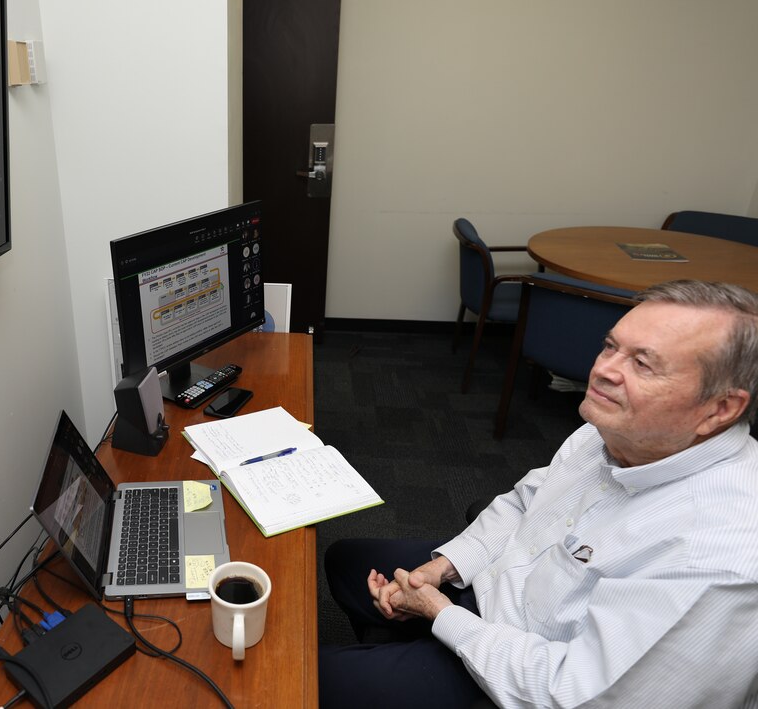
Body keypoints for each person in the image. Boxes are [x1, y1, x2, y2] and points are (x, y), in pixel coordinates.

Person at [320, 280, 758, 708]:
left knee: (303, 684)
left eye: (643, 364)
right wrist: (443, 569)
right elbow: (527, 503)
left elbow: (576, 693)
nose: (603, 370)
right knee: (346, 561)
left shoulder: (715, 554)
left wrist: (440, 614)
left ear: (719, 409)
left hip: (534, 678)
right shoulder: (614, 429)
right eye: (610, 346)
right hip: (501, 604)